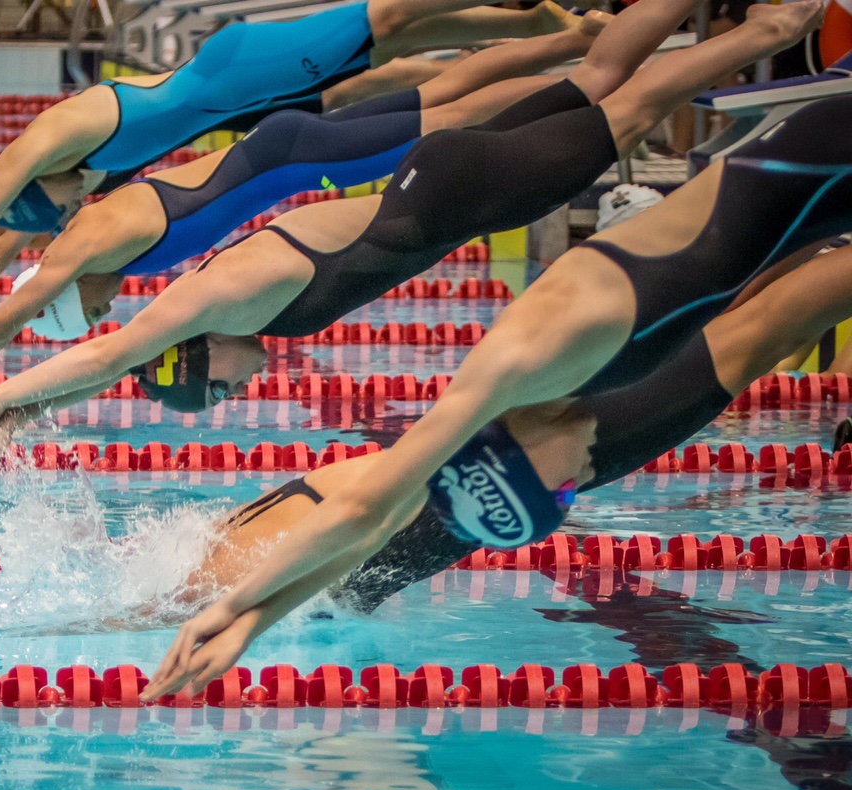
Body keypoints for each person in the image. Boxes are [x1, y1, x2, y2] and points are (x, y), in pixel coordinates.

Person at [140, 2, 850, 701]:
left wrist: (225, 614)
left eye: (558, 491)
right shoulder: (444, 476)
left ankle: (771, 34)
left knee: (752, 282)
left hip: (621, 238)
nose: (570, 498)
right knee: (765, 300)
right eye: (565, 496)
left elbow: (356, 515)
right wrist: (242, 621)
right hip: (621, 274)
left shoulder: (505, 388)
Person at [0, 0, 815, 466]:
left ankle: (779, 25)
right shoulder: (232, 291)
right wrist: (25, 410)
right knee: (605, 76)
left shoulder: (229, 297)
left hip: (469, 191)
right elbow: (117, 354)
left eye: (220, 391)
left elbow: (111, 354)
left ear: (199, 357)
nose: (239, 393)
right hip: (440, 178)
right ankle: (756, 21)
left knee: (635, 102)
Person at [134, 238, 852, 697]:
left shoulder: (250, 563)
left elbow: (358, 523)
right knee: (744, 325)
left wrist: (189, 622)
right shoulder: (239, 538)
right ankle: (811, 234)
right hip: (522, 441)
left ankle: (818, 234)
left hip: (540, 453)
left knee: (758, 332)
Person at [0, 0, 582, 318]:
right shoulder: (86, 175)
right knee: (407, 49)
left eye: (50, 213)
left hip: (248, 68)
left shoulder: (48, 142)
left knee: (402, 16)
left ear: (36, 187)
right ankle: (545, 27)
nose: (64, 216)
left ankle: (548, 25)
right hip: (251, 97)